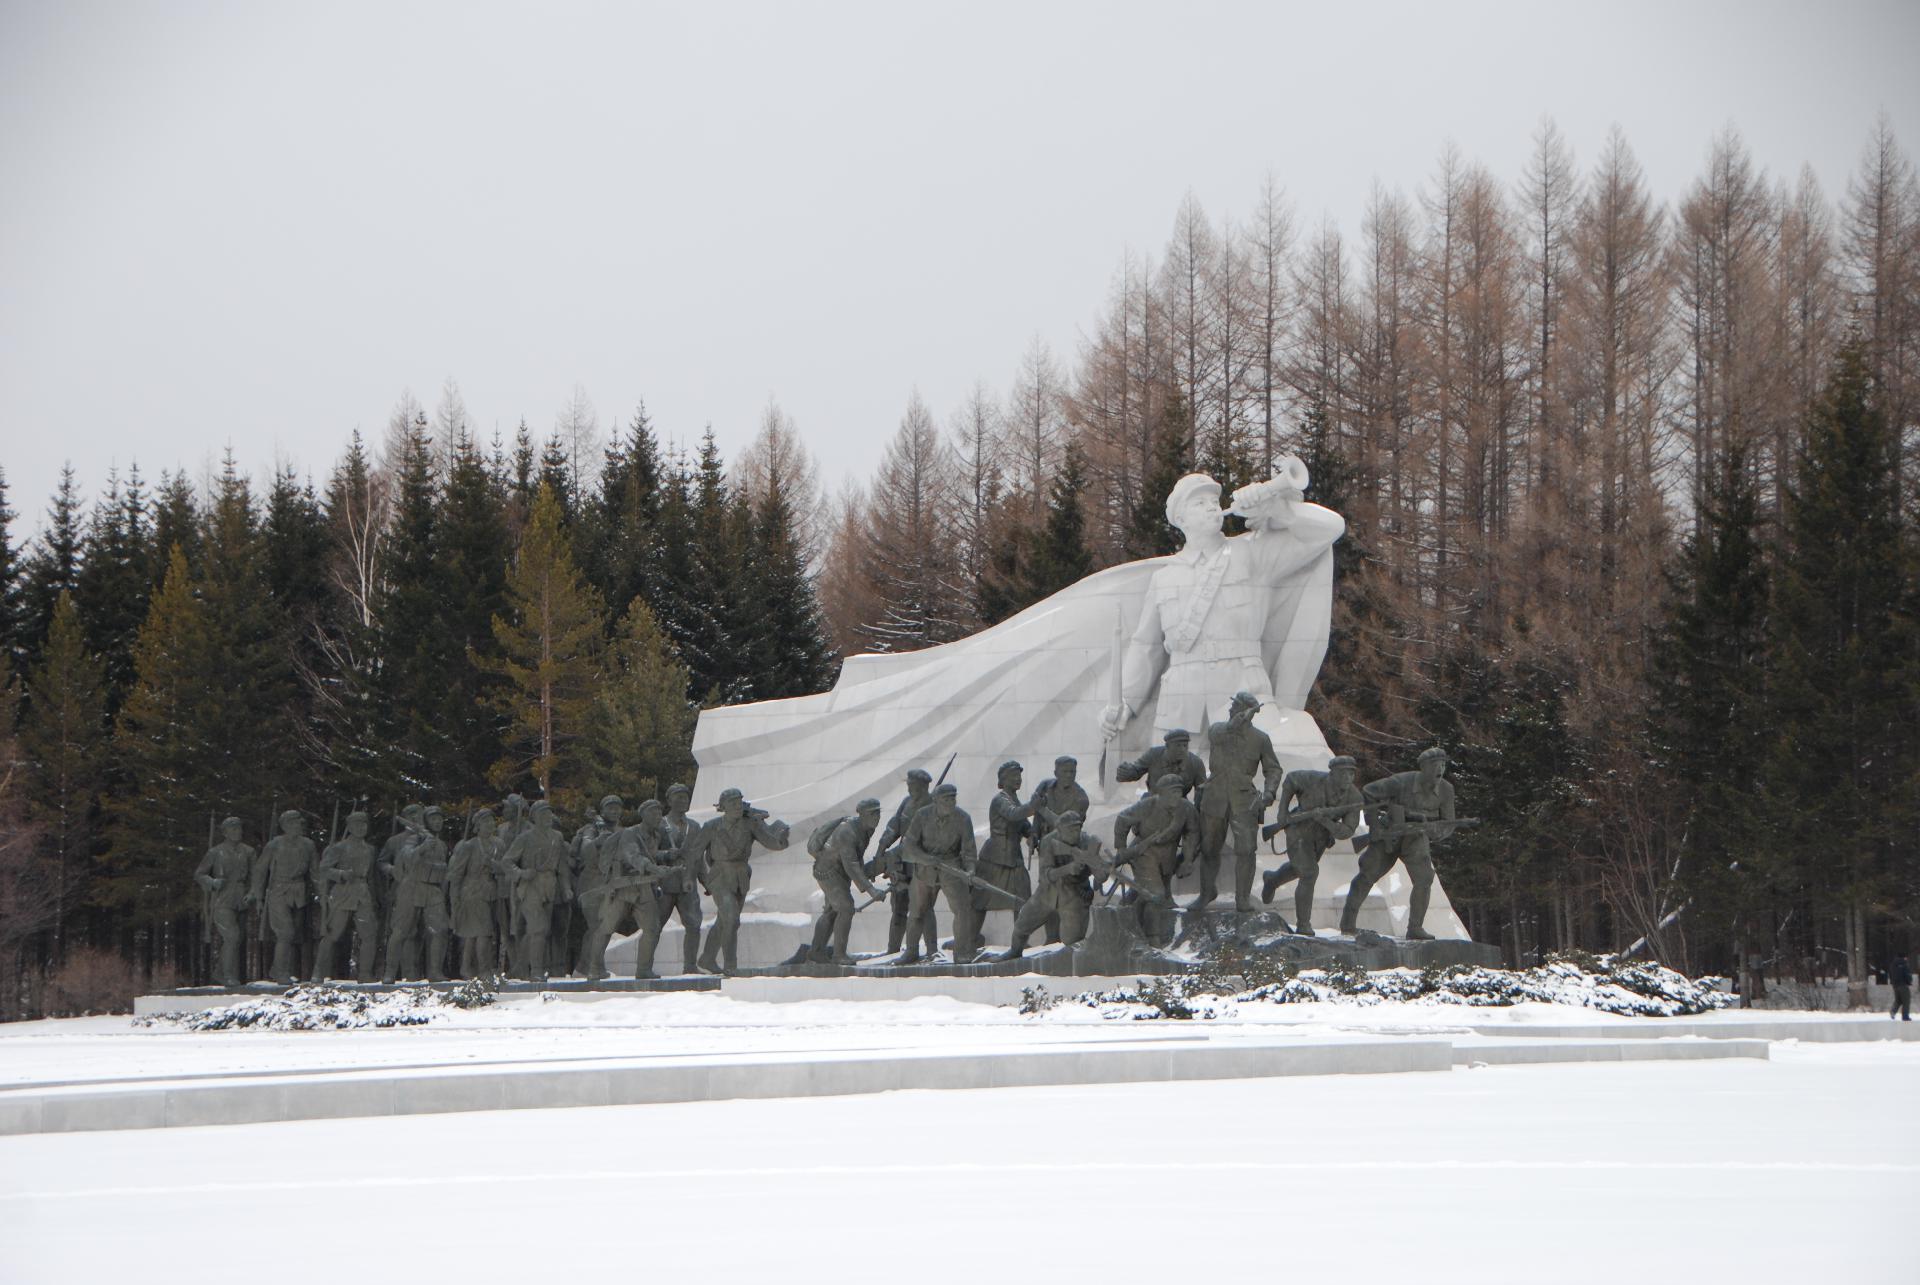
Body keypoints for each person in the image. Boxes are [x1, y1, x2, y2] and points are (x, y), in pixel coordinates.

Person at [1101, 467, 1345, 751]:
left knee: (1263, 768)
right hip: (1180, 704)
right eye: (1199, 503)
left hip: (1244, 695)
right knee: (1171, 776)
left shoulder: (1252, 554)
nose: (1211, 507)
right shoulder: (1164, 577)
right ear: (1180, 518)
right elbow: (1147, 646)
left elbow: (1330, 528)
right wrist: (1126, 702)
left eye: (1214, 502)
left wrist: (1277, 509)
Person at [1341, 747, 1458, 940]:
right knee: (1367, 875)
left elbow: (1448, 823)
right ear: (1423, 767)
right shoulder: (1401, 782)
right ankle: (1347, 923)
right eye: (1435, 765)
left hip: (1416, 837)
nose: (1440, 769)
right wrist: (1374, 826)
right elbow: (1369, 791)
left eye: (1443, 765)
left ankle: (1415, 928)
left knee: (1424, 879)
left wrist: (1434, 832)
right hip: (1389, 833)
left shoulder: (1446, 790)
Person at [1194, 690, 1281, 912]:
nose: (1231, 709)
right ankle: (1206, 893)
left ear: (1245, 711)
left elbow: (1273, 769)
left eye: (1235, 707)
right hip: (1214, 797)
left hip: (1244, 801)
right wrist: (1236, 722)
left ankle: (1242, 899)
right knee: (1209, 848)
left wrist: (1269, 793)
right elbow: (1218, 734)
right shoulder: (1218, 730)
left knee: (1246, 850)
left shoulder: (1260, 739)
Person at [687, 788, 791, 974]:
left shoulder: (750, 824)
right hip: (720, 875)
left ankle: (707, 958)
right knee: (731, 919)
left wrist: (780, 832)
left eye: (739, 802)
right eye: (733, 803)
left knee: (725, 920)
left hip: (741, 876)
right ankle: (730, 966)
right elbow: (695, 853)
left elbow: (773, 843)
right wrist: (689, 877)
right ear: (723, 807)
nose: (737, 806)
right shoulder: (712, 826)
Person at [1258, 756, 1363, 935]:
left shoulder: (1354, 797)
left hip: (1321, 838)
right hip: (1298, 830)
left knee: (1300, 869)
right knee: (1309, 872)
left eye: (1351, 774)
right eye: (1343, 773)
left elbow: (1346, 831)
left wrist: (1325, 821)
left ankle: (1273, 879)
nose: (1348, 778)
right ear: (1332, 773)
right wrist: (1282, 811)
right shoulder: (1313, 779)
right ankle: (1303, 925)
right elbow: (1290, 780)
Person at [1111, 774, 1200, 944]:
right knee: (1155, 895)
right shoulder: (1148, 805)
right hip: (1145, 851)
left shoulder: (1186, 809)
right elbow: (1123, 820)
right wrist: (1121, 849)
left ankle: (1128, 920)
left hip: (1168, 853)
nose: (1176, 796)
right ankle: (1153, 938)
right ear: (1162, 793)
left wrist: (1187, 860)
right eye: (1172, 792)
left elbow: (1192, 833)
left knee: (1149, 893)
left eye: (1179, 792)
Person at [582, 800, 665, 980]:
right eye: (653, 813)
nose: (658, 817)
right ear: (643, 815)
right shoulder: (630, 833)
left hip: (644, 888)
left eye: (659, 813)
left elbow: (651, 855)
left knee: (652, 928)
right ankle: (594, 968)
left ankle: (643, 969)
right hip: (623, 888)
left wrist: (667, 856)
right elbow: (632, 855)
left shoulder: (656, 836)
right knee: (606, 928)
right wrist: (652, 868)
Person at [1005, 811, 1106, 958]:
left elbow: (1101, 876)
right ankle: (1014, 952)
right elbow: (1045, 875)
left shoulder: (1087, 842)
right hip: (1048, 891)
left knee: (1073, 942)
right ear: (1059, 830)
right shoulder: (1049, 841)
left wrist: (1102, 870)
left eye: (1077, 829)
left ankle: (1070, 963)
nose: (1075, 834)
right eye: (1070, 830)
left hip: (1074, 894)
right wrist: (1068, 869)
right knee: (1022, 924)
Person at [897, 783, 979, 964]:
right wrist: (925, 858)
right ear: (935, 800)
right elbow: (909, 845)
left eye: (953, 798)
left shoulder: (963, 818)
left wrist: (970, 870)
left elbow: (969, 851)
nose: (951, 802)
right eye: (946, 799)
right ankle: (911, 951)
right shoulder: (922, 815)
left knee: (962, 909)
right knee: (917, 911)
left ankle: (961, 952)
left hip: (952, 868)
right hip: (925, 869)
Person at [805, 799, 885, 964]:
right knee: (846, 908)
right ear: (861, 814)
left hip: (839, 872)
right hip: (829, 872)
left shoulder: (866, 829)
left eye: (878, 813)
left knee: (832, 911)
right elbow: (851, 865)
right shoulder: (847, 831)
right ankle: (839, 955)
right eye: (872, 813)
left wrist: (867, 873)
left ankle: (816, 952)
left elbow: (856, 857)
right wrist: (871, 890)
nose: (876, 817)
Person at [500, 800, 572, 981]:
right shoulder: (525, 838)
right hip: (530, 886)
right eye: (543, 814)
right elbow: (507, 862)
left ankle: (520, 966)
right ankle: (536, 971)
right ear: (535, 817)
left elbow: (562, 865)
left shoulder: (557, 836)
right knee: (538, 928)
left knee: (540, 930)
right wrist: (521, 873)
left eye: (549, 813)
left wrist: (566, 888)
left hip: (550, 886)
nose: (548, 817)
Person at [381, 805, 451, 983]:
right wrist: (422, 848)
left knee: (440, 929)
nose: (437, 822)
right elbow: (406, 857)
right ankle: (390, 972)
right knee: (401, 930)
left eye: (440, 819)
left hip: (433, 889)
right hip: (411, 887)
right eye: (433, 819)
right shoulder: (414, 839)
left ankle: (434, 971)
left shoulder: (442, 845)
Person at [873, 768, 938, 956]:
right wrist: (881, 847)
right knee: (899, 906)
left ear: (923, 786)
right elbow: (894, 826)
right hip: (902, 863)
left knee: (924, 907)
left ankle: (932, 950)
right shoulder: (906, 802)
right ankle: (893, 949)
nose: (909, 789)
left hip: (922, 863)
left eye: (913, 785)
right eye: (909, 785)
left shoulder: (934, 806)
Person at [973, 760, 1037, 950]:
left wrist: (1031, 834)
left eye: (1019, 776)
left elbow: (1022, 824)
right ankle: (969, 937)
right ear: (1003, 779)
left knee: (1023, 899)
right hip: (994, 858)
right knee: (980, 900)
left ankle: (1020, 940)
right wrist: (1033, 806)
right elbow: (1013, 814)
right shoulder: (1000, 800)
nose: (1018, 779)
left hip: (1013, 858)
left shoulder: (1014, 798)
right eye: (1014, 776)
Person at [250, 809, 317, 985]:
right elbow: (260, 870)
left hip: (299, 892)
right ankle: (280, 972)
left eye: (299, 822)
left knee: (293, 934)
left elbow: (315, 872)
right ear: (285, 826)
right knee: (285, 932)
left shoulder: (308, 845)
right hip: (278, 891)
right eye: (293, 823)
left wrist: (322, 893)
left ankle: (279, 968)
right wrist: (258, 896)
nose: (298, 825)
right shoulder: (274, 845)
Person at [310, 812, 378, 982]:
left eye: (364, 824)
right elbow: (323, 869)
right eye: (357, 824)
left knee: (369, 935)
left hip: (363, 893)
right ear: (349, 827)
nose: (361, 828)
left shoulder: (370, 849)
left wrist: (375, 896)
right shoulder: (338, 847)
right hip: (342, 892)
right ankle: (318, 973)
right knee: (332, 934)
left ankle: (365, 974)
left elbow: (372, 876)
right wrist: (340, 874)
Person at [195, 816, 256, 986]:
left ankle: (220, 972)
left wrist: (252, 893)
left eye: (239, 828)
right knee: (232, 936)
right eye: (233, 829)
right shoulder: (215, 852)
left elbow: (255, 876)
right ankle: (229, 975)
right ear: (225, 832)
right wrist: (213, 882)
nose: (238, 832)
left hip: (242, 899)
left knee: (237, 938)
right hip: (222, 898)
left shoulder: (249, 851)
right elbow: (199, 874)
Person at [655, 784, 705, 975]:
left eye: (685, 797)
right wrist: (666, 854)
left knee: (694, 925)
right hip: (664, 885)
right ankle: (645, 967)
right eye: (678, 797)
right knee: (654, 927)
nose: (683, 801)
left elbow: (698, 858)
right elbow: (650, 852)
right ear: (669, 800)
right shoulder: (659, 824)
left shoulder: (694, 826)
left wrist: (706, 882)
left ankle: (690, 966)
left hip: (687, 884)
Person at [448, 808, 501, 979]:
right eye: (485, 822)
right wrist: (455, 899)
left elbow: (504, 868)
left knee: (474, 933)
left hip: (490, 893)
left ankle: (467, 967)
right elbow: (457, 874)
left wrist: (493, 865)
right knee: (482, 932)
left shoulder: (498, 844)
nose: (490, 824)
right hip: (472, 893)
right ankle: (483, 969)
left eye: (491, 821)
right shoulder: (469, 846)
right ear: (477, 826)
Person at [1116, 728, 1207, 798]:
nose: (1182, 749)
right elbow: (1136, 771)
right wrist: (1126, 772)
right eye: (1178, 746)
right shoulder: (1153, 754)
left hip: (1179, 805)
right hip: (1153, 802)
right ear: (1167, 746)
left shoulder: (1196, 763)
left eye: (1185, 746)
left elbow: (1203, 792)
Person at [1892, 955, 1913, 1021]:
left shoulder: (1893, 964)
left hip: (1895, 985)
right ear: (1904, 957)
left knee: (1898, 1000)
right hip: (1903, 985)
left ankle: (1893, 1011)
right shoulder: (1904, 964)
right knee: (1906, 1001)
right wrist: (1909, 981)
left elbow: (1891, 974)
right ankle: (1905, 1016)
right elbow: (1907, 974)